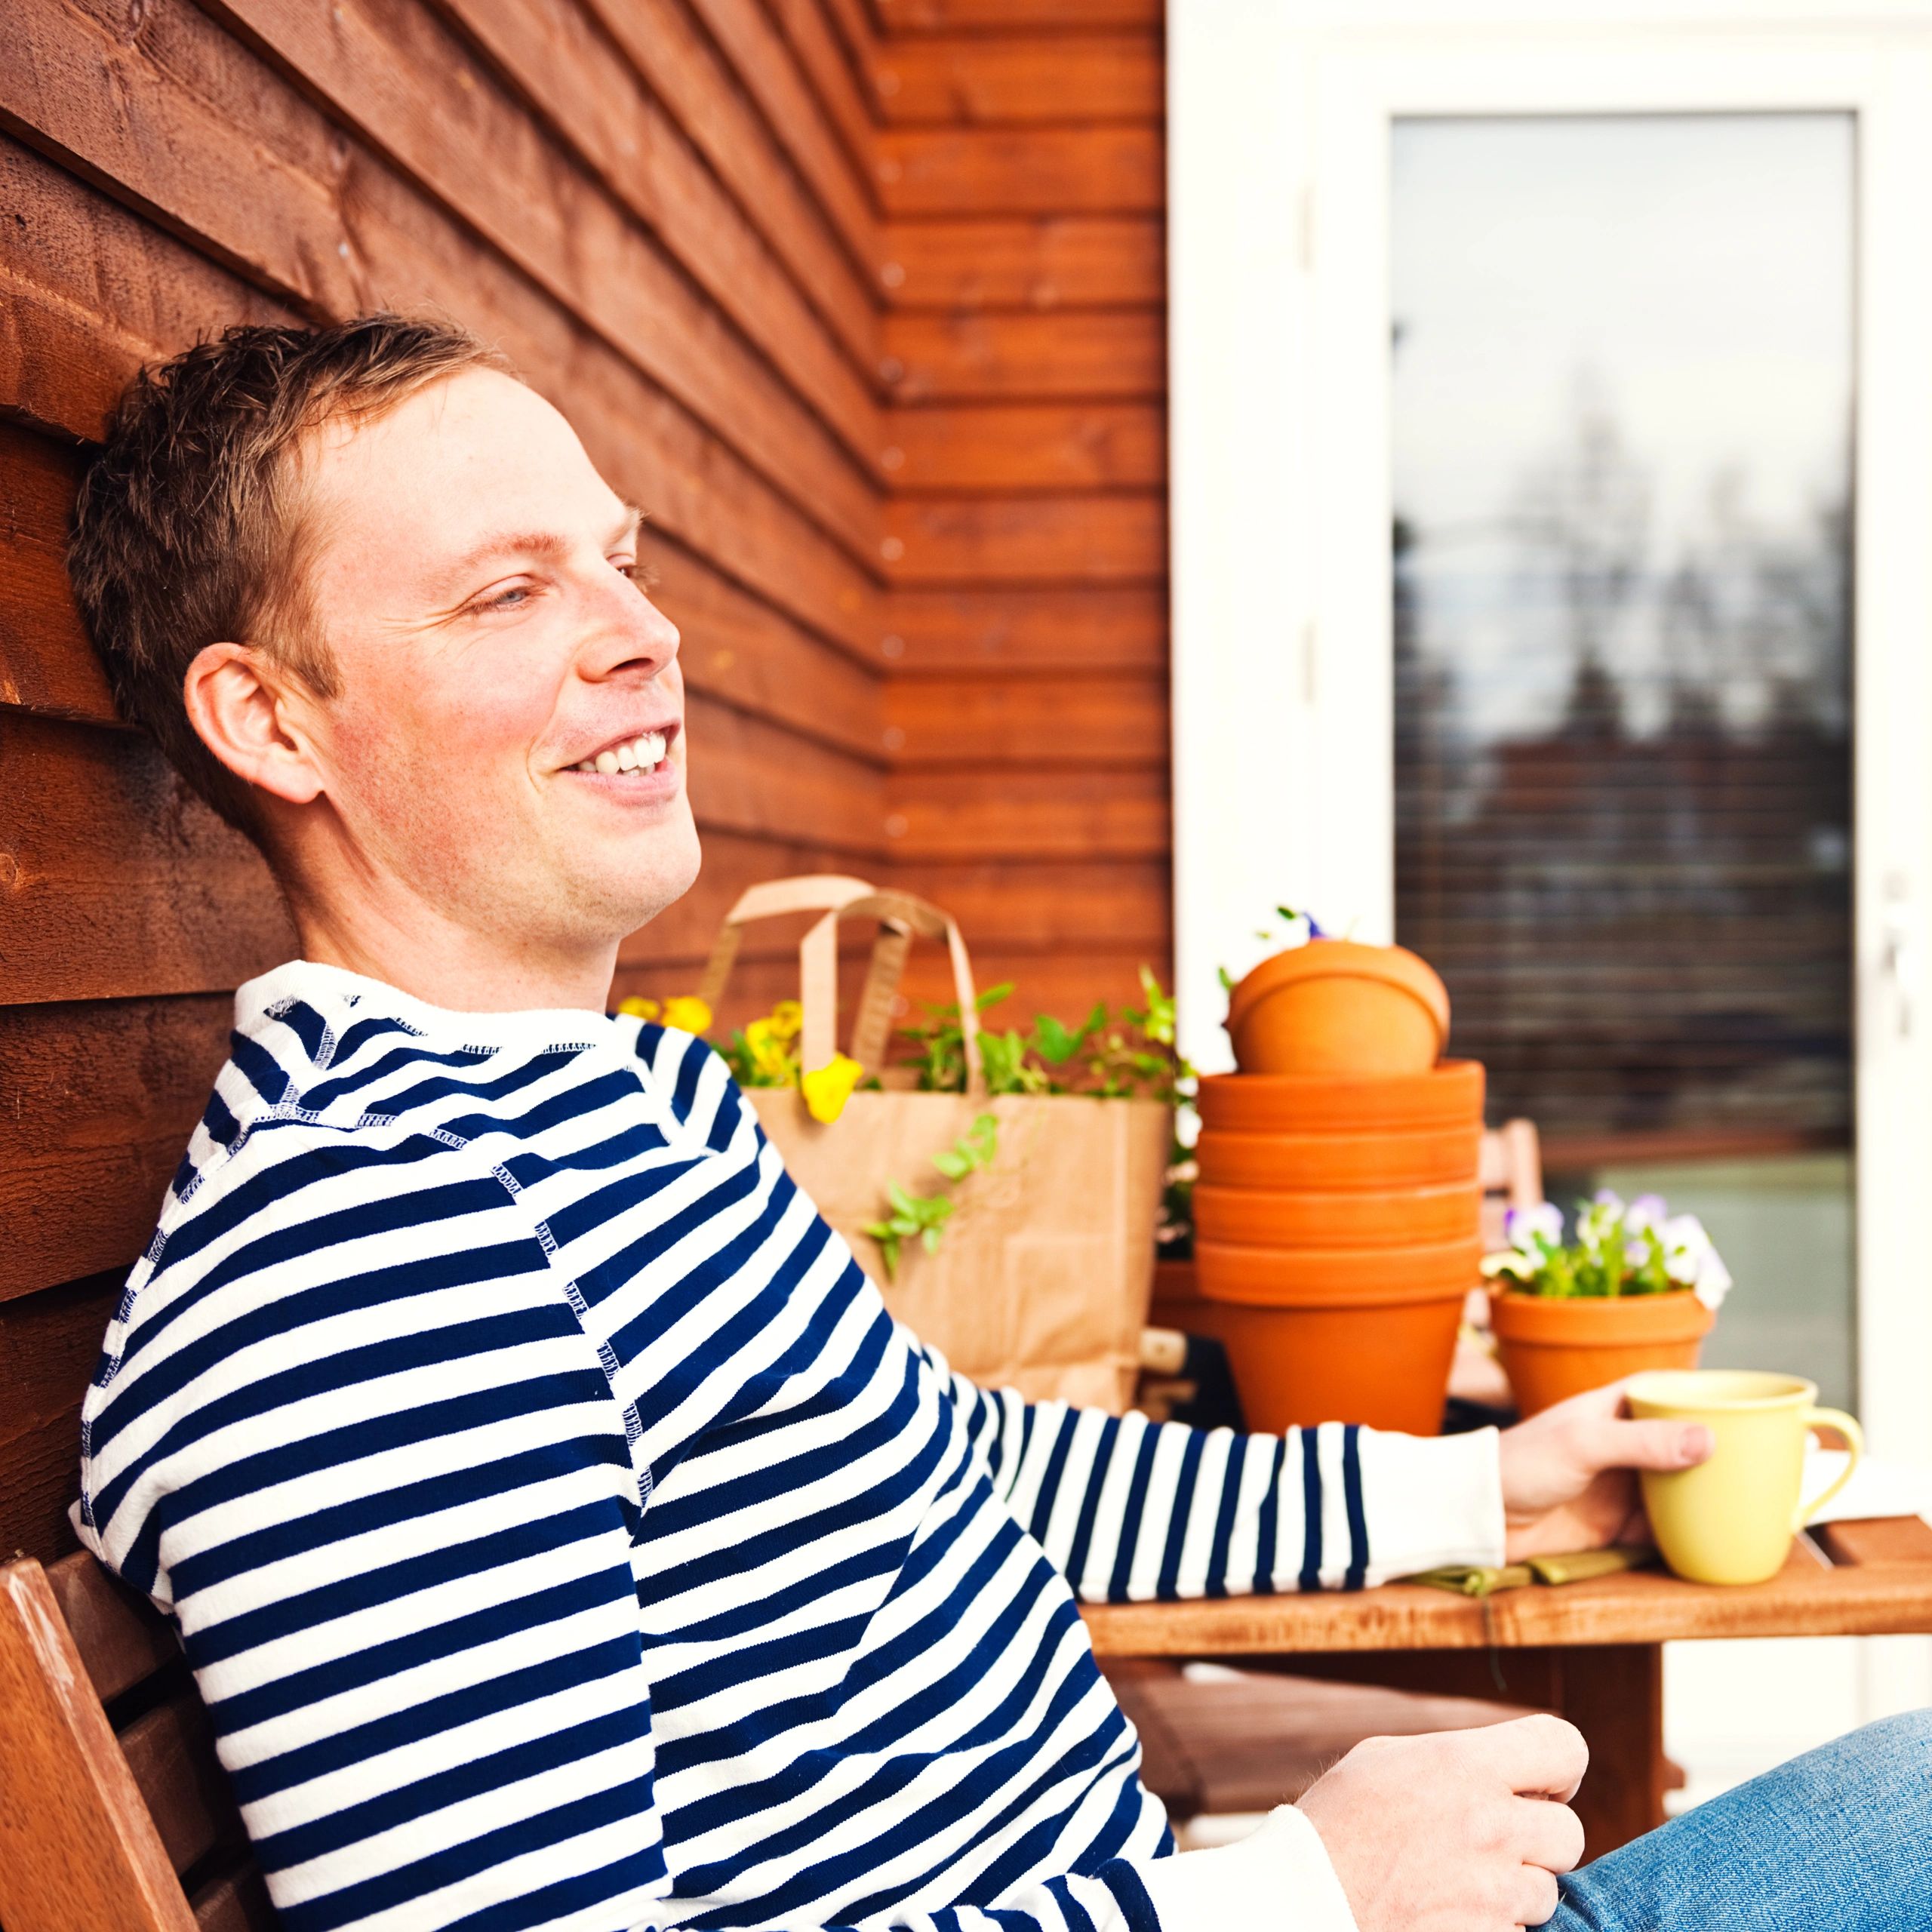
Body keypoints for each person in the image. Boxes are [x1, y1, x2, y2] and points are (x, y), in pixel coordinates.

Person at [63, 316, 1930, 1932]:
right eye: (509, 589)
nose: (643, 633)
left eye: (618, 562)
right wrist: (1293, 1884)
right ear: (272, 722)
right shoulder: (364, 1266)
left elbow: (959, 1460)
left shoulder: (615, 1103)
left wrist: (1470, 1485)